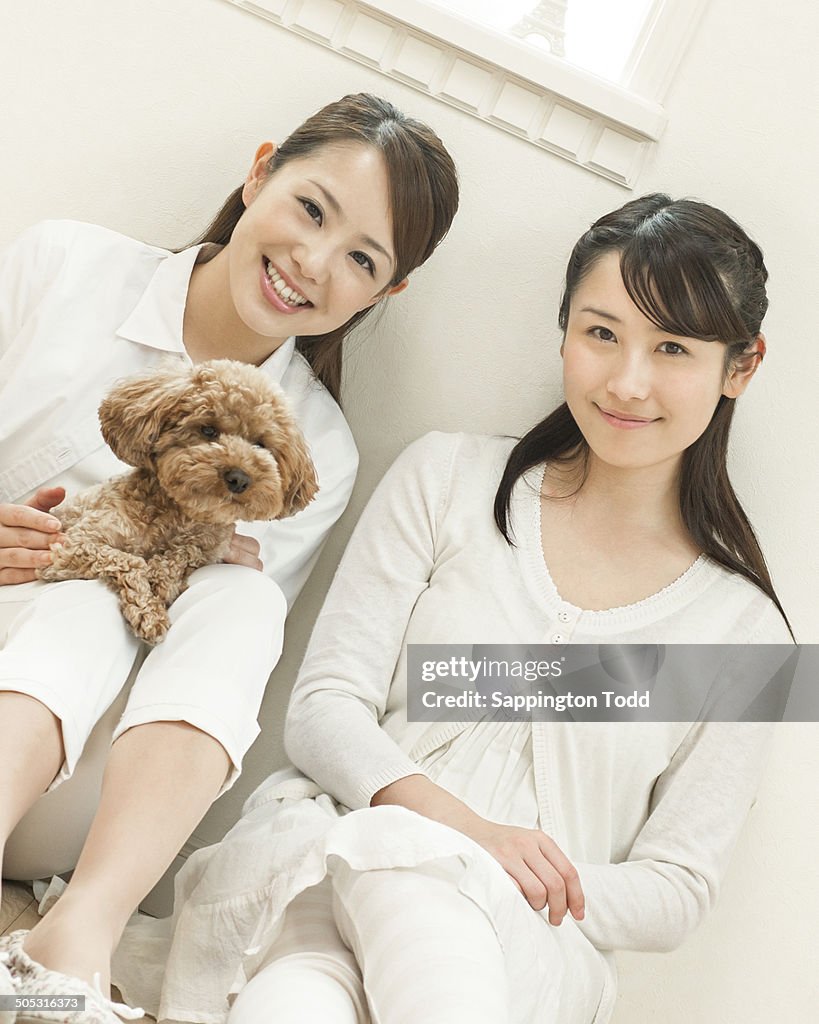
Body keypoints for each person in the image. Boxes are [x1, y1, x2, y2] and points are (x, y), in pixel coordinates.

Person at [117, 194, 791, 1024]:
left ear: (741, 366)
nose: (627, 381)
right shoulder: (445, 481)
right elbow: (326, 711)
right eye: (600, 332)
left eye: (673, 348)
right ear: (564, 331)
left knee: (392, 915)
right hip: (325, 862)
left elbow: (675, 889)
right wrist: (461, 831)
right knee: (301, 988)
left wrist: (484, 867)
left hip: (526, 950)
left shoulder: (745, 635)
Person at [0, 93, 459, 1020]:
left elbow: (180, 655)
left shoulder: (315, 452)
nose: (313, 263)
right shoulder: (62, 267)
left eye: (362, 259)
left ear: (385, 292)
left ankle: (78, 933)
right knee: (97, 598)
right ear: (259, 173)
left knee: (234, 601)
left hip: (82, 785)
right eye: (312, 210)